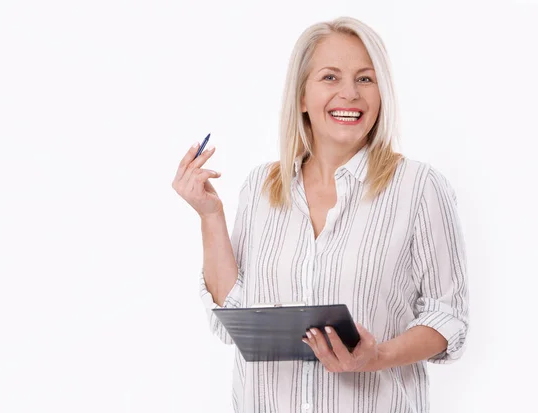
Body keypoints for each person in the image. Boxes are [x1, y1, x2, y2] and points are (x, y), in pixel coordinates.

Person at [172, 16, 468, 413]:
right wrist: (210, 216)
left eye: (365, 79)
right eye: (330, 77)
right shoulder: (261, 186)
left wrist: (376, 356)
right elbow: (234, 314)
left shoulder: (418, 186)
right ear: (301, 97)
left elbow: (447, 318)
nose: (350, 94)